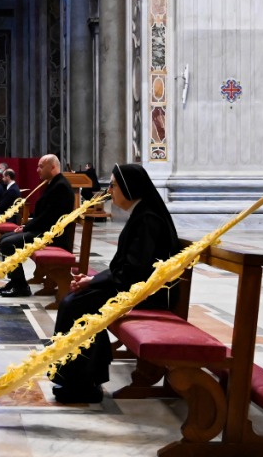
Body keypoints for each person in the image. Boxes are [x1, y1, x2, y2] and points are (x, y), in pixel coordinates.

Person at [50, 164, 178, 403]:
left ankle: (83, 382)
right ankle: (82, 378)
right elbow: (127, 268)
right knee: (74, 302)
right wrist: (93, 280)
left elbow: (133, 271)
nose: (109, 190)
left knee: (75, 305)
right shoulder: (142, 213)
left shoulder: (148, 218)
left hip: (147, 294)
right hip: (134, 286)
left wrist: (94, 282)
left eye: (113, 185)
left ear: (130, 187)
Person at [0, 155, 74, 297]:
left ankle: (21, 286)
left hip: (53, 236)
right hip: (44, 231)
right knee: (4, 239)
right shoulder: (53, 183)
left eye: (41, 166)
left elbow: (49, 217)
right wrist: (26, 226)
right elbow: (44, 215)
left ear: (53, 167)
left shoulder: (60, 186)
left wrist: (26, 227)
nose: (37, 170)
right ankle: (15, 281)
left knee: (8, 243)